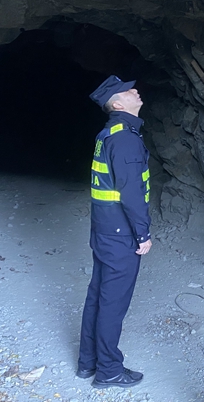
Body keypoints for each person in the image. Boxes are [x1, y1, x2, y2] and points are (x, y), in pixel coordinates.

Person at [77, 75, 153, 389]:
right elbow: (131, 193)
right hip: (120, 233)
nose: (135, 90)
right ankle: (108, 370)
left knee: (98, 296)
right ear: (118, 104)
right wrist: (142, 234)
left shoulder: (110, 134)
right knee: (112, 302)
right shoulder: (125, 140)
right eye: (128, 90)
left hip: (105, 228)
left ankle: (88, 362)